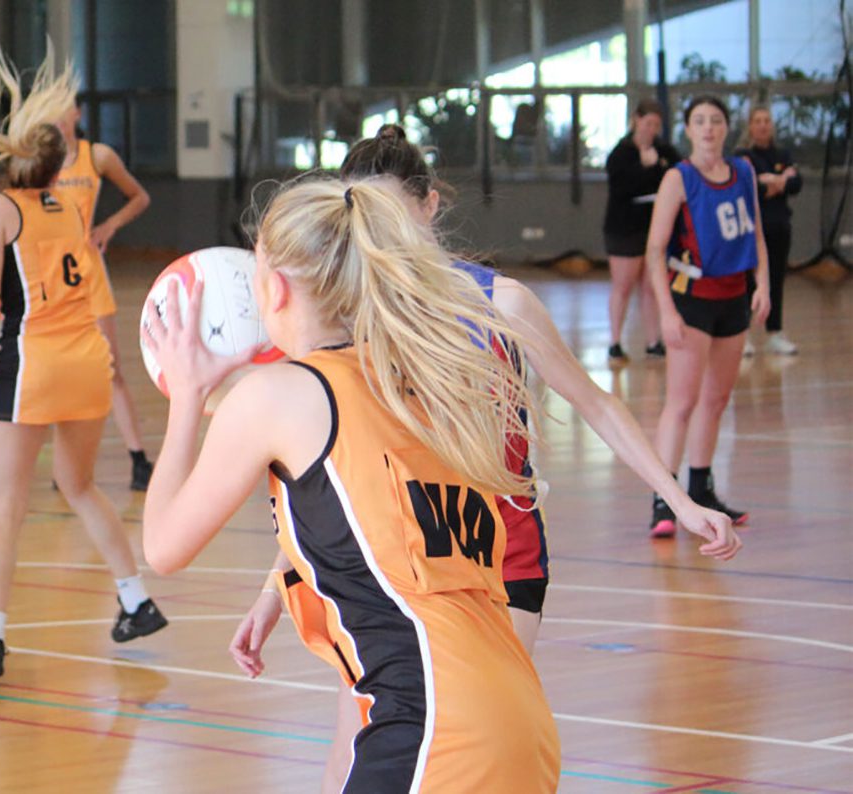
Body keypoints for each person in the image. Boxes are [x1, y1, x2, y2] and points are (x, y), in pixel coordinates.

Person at [228, 126, 740, 793]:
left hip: (499, 565)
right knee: (347, 758)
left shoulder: (499, 304)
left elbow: (597, 405)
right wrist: (277, 588)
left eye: (391, 210)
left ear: (430, 207)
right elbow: (336, 485)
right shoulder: (349, 322)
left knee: (478, 757)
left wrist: (679, 498)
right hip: (399, 574)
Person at [144, 176, 567, 791]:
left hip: (431, 727)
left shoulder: (278, 397)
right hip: (517, 720)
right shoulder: (417, 376)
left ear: (273, 288)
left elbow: (163, 547)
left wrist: (186, 396)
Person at [0, 41, 168, 685]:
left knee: (4, 507)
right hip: (88, 363)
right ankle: (135, 598)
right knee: (80, 486)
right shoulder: (68, 208)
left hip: (34, 364)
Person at [644, 96, 770, 535]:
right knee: (682, 402)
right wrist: (665, 312)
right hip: (692, 300)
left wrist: (765, 286)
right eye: (700, 121)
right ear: (688, 130)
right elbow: (655, 250)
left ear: (725, 128)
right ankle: (664, 499)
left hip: (734, 297)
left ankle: (702, 488)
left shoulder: (744, 172)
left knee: (715, 401)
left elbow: (756, 235)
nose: (709, 128)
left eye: (716, 120)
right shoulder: (679, 179)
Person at [51, 89, 155, 490]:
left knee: (110, 368)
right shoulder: (36, 159)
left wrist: (109, 225)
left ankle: (139, 460)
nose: (58, 116)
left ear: (76, 111)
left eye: (64, 106)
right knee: (62, 372)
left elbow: (139, 197)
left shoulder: (97, 156)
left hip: (88, 269)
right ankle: (68, 466)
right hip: (51, 274)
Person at [603, 98, 682, 362]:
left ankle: (653, 342)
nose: (652, 129)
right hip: (624, 229)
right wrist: (648, 169)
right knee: (623, 286)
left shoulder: (664, 150)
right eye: (648, 123)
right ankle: (615, 341)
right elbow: (624, 186)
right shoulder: (621, 153)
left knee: (651, 286)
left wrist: (656, 169)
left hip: (652, 227)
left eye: (657, 125)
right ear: (637, 120)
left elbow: (676, 174)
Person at [736, 106, 801, 356]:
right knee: (748, 282)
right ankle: (743, 336)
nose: (763, 125)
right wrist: (779, 179)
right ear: (750, 126)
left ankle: (775, 332)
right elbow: (750, 185)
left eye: (767, 121)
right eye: (758, 121)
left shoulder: (782, 153)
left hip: (779, 226)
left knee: (775, 280)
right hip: (751, 229)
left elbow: (796, 184)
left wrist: (771, 180)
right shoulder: (744, 155)